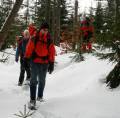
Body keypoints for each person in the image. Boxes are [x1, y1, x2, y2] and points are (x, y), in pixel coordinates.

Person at [25, 22, 55, 110]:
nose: (45, 31)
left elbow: (51, 51)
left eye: (47, 30)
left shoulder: (49, 39)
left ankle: (40, 96)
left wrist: (52, 63)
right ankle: (32, 100)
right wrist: (26, 58)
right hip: (35, 62)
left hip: (45, 63)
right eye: (44, 30)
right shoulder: (34, 37)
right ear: (40, 29)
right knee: (33, 80)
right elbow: (29, 47)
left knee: (42, 80)